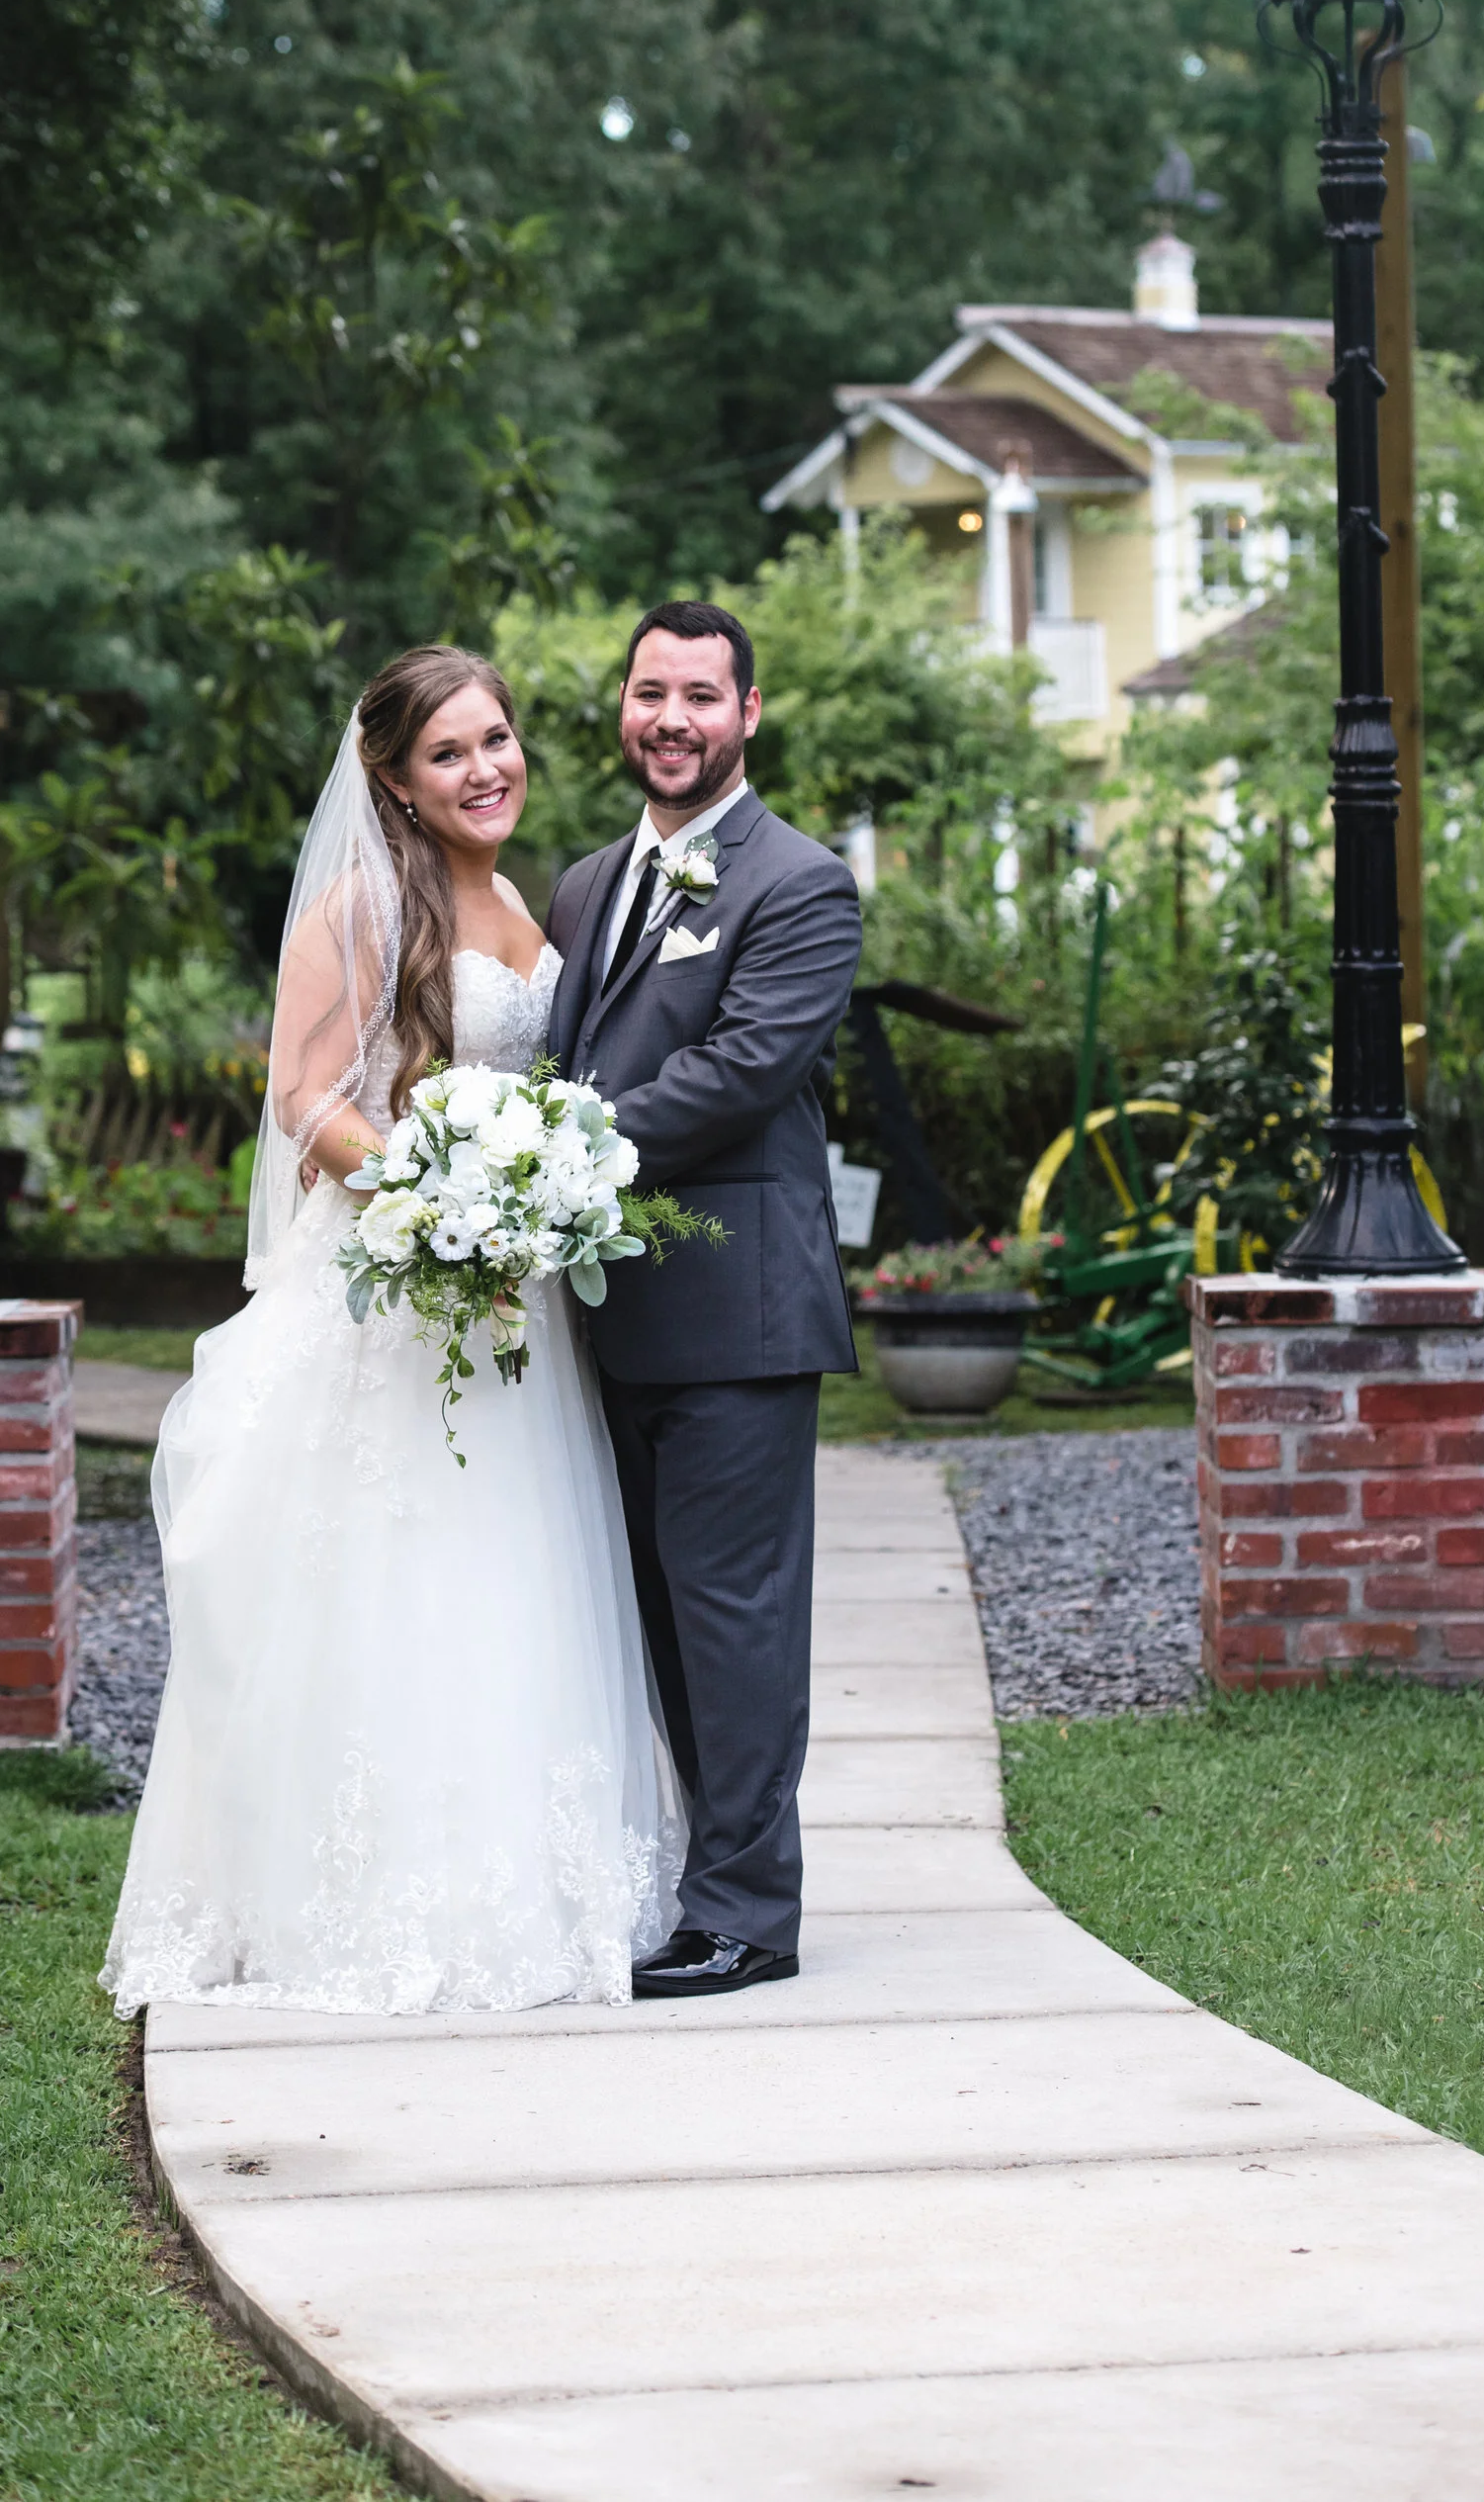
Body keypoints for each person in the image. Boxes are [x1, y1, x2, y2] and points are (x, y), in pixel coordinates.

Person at [102, 645, 683, 2018]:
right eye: (449, 753)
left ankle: (519, 1890)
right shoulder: (364, 904)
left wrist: (525, 1197)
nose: (486, 770)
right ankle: (368, 1900)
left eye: (498, 738)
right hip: (402, 1294)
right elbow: (304, 1096)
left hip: (514, 1306)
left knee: (519, 1575)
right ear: (396, 781)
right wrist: (440, 1195)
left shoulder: (526, 902)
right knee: (400, 1584)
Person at [547, 601, 862, 1998]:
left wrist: (551, 1154)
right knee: (656, 1622)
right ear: (624, 707)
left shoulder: (801, 885)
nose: (670, 719)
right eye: (649, 693)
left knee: (735, 1617)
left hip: (737, 1312)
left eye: (699, 696)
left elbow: (740, 1073)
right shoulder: (583, 885)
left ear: (748, 712)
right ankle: (690, 1880)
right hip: (605, 1314)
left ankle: (748, 1915)